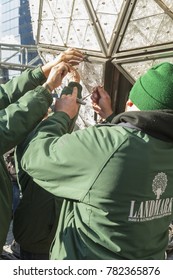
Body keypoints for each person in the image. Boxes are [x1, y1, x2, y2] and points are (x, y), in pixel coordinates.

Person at [16, 62, 173, 260]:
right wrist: (111, 118)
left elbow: (34, 157)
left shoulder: (105, 145)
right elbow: (124, 161)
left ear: (131, 103)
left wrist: (61, 115)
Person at [0, 47, 84, 256]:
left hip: (40, 234)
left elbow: (4, 96)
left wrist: (44, 73)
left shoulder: (34, 138)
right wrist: (49, 93)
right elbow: (51, 137)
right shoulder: (31, 146)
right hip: (36, 238)